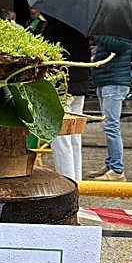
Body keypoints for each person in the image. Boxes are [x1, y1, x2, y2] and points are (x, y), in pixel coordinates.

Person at [35, 14, 88, 182]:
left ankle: (67, 181)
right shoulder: (81, 25)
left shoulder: (55, 28)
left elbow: (47, 56)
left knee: (60, 136)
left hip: (62, 87)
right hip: (80, 84)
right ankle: (77, 182)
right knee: (74, 135)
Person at [88, 34, 132, 181]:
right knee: (109, 126)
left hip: (114, 83)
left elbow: (118, 46)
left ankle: (117, 170)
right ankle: (110, 164)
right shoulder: (113, 29)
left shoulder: (124, 29)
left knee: (111, 127)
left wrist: (98, 35)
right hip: (106, 81)